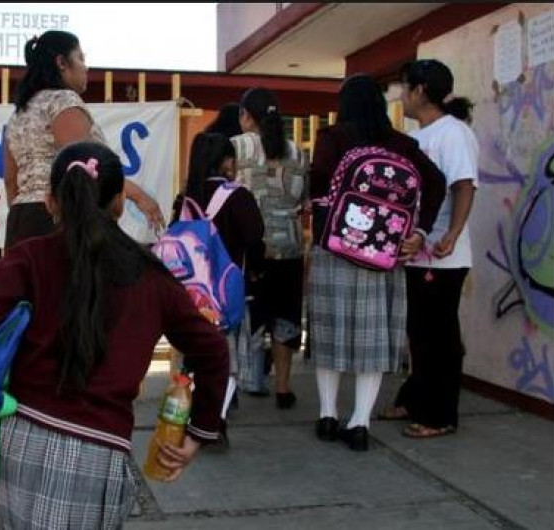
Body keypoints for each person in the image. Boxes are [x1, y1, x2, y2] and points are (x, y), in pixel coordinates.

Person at [0, 142, 229, 528]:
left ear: (50, 202)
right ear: (119, 202)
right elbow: (212, 347)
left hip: (15, 440)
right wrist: (199, 432)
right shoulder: (152, 276)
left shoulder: (30, 257)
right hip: (97, 457)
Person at [308, 74, 446, 452]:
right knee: (372, 338)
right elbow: (436, 181)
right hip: (384, 255)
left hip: (334, 249)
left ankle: (326, 415)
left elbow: (318, 184)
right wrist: (420, 232)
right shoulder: (403, 144)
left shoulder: (332, 139)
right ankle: (360, 423)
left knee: (330, 333)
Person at [379, 59, 479, 439]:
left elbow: (465, 186)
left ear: (420, 90)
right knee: (419, 332)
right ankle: (415, 398)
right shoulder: (418, 136)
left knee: (439, 335)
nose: (401, 97)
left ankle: (440, 415)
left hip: (443, 254)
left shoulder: (452, 134)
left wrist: (452, 233)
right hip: (415, 252)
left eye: (405, 88)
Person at [3, 30, 164, 249]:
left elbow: (11, 181)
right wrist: (139, 196)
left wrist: (26, 212)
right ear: (61, 62)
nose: (86, 67)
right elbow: (83, 163)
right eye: (80, 58)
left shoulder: (19, 113)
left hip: (20, 221)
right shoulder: (63, 101)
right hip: (58, 218)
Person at [172, 132, 265, 433]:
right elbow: (254, 239)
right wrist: (256, 271)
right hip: (227, 292)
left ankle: (187, 411)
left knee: (194, 353)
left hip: (188, 293)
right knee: (227, 355)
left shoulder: (185, 199)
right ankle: (216, 418)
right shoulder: (238, 196)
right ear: (226, 161)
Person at [233, 87, 309, 410]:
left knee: (245, 317)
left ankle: (244, 381)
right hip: (289, 247)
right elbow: (304, 202)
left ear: (246, 116)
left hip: (250, 247)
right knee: (285, 318)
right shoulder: (299, 153)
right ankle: (283, 386)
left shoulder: (237, 147)